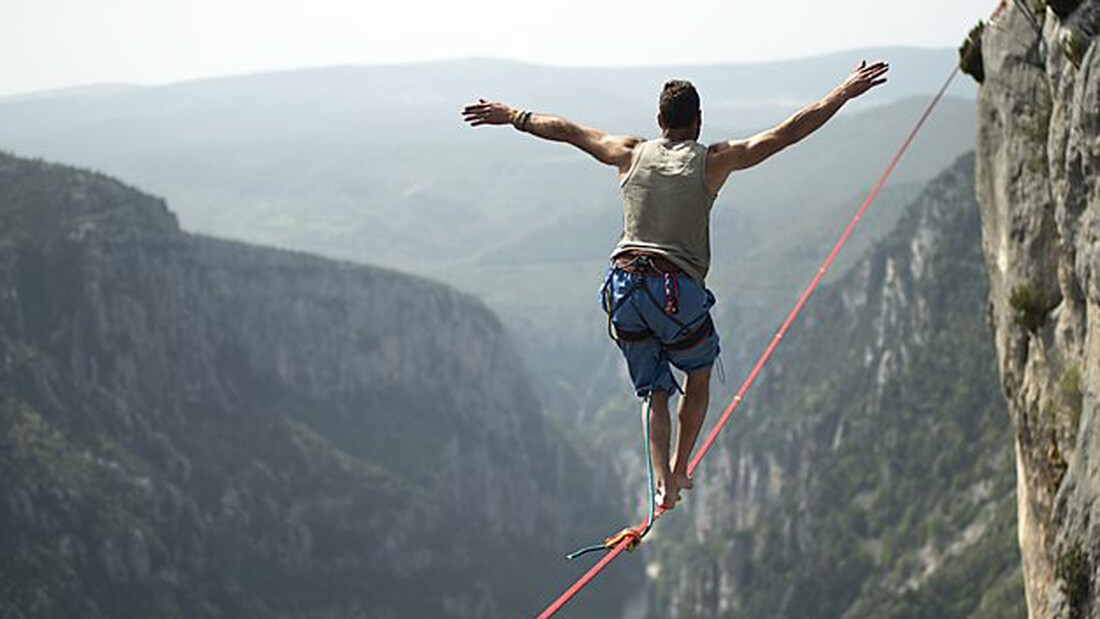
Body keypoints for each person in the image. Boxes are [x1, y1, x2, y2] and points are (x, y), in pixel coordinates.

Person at [462, 61, 889, 510]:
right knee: (698, 374)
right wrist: (841, 93)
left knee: (654, 391)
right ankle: (679, 469)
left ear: (658, 122)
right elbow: (786, 134)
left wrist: (512, 116)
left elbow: (567, 130)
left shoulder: (627, 151)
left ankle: (660, 479)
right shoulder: (713, 160)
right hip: (673, 290)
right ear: (698, 122)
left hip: (623, 287)